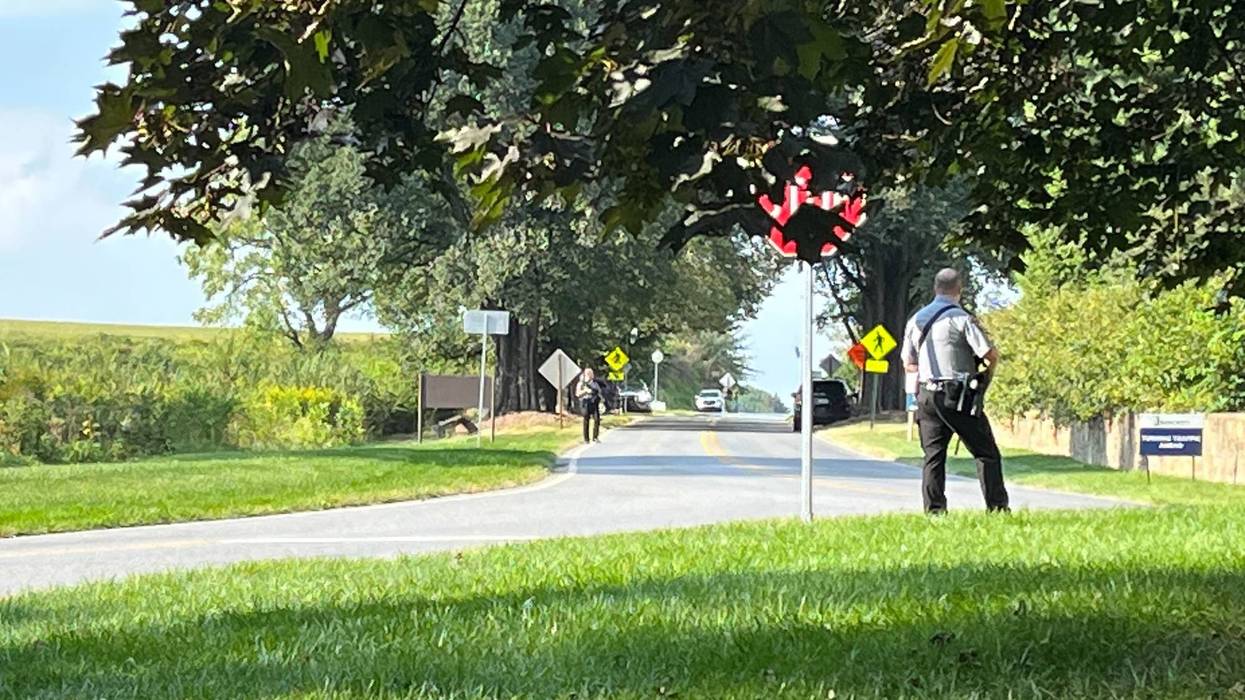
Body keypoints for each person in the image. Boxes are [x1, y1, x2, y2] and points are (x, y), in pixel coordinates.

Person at [900, 268, 1010, 514]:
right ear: (959, 290)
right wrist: (984, 378)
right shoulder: (962, 319)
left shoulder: (916, 320)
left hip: (927, 394)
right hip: (957, 394)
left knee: (933, 456)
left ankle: (935, 511)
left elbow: (908, 363)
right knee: (986, 453)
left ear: (935, 288)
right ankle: (998, 508)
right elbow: (989, 355)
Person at [575, 368, 602, 443]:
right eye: (588, 373)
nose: (590, 375)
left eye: (591, 373)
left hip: (594, 403)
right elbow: (577, 394)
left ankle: (595, 437)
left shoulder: (595, 383)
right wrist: (585, 391)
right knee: (586, 420)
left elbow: (599, 392)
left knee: (597, 419)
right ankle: (586, 439)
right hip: (585, 402)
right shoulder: (581, 384)